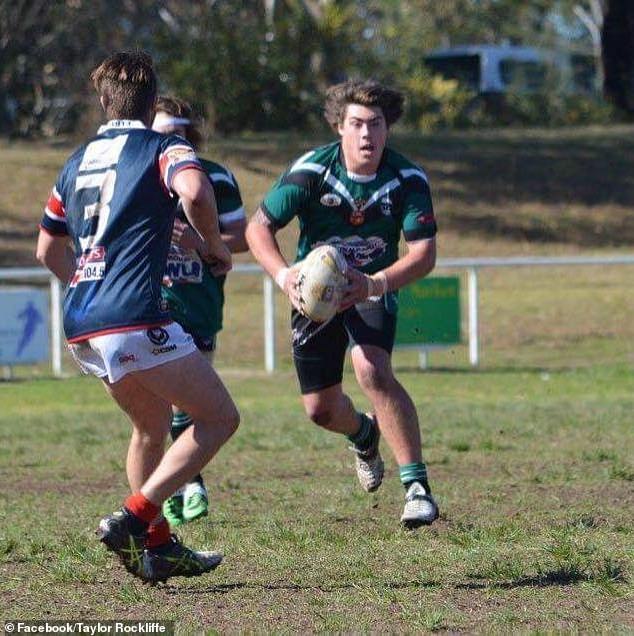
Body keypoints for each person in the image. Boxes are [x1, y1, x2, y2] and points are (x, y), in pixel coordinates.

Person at [35, 51, 240, 583]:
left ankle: (158, 548)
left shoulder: (75, 160)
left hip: (81, 320)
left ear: (104, 102)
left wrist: (87, 285)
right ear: (153, 104)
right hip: (132, 313)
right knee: (219, 418)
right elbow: (194, 190)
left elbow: (46, 251)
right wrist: (212, 245)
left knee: (150, 428)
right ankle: (134, 518)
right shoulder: (163, 146)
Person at [245, 79, 439, 528]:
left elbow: (423, 255)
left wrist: (372, 285)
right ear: (339, 127)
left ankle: (416, 488)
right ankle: (363, 432)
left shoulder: (407, 179)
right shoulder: (313, 172)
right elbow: (259, 228)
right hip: (314, 293)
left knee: (372, 368)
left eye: (376, 124)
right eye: (357, 124)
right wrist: (283, 274)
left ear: (388, 129)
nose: (367, 135)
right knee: (320, 410)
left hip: (370, 286)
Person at [151, 96, 248, 527]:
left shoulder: (216, 178)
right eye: (160, 133)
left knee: (187, 402)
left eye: (176, 132)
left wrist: (202, 241)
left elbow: (242, 238)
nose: (169, 141)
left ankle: (182, 482)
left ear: (190, 133)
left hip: (200, 300)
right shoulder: (138, 176)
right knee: (163, 406)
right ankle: (185, 484)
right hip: (149, 304)